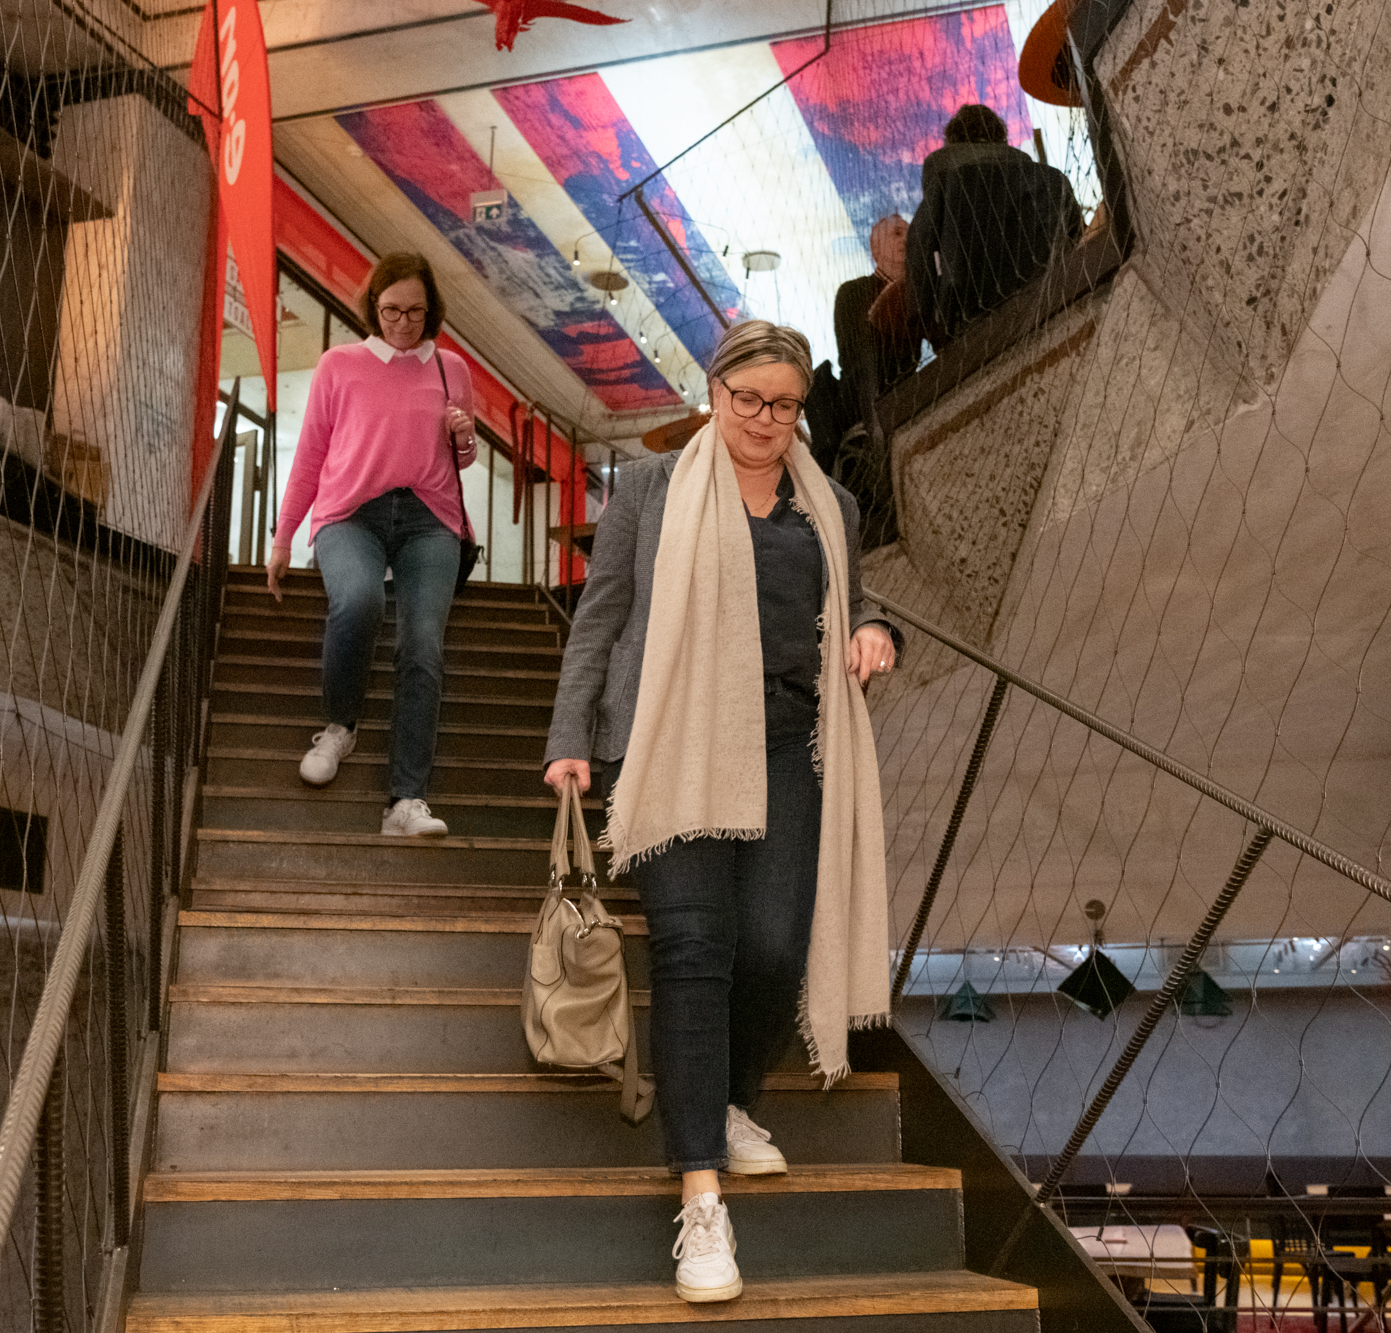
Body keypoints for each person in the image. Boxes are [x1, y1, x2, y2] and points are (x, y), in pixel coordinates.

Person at [542, 320, 900, 1304]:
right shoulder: (651, 490)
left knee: (775, 947)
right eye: (748, 399)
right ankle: (701, 1196)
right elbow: (601, 614)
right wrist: (570, 735)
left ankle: (732, 1099)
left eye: (784, 405)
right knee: (696, 947)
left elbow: (854, 602)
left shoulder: (829, 505)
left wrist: (873, 630)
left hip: (787, 742)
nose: (764, 419)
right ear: (714, 392)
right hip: (673, 734)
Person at [267, 253, 476, 837]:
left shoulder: (452, 368)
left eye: (415, 311)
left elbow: (461, 459)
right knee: (359, 601)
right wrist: (283, 538)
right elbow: (311, 454)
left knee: (423, 646)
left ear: (431, 310)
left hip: (430, 518)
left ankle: (405, 802)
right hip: (350, 513)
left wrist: (464, 438)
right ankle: (340, 727)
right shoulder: (340, 365)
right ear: (373, 307)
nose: (403, 323)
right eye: (391, 310)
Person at [905, 103, 1083, 342]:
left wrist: (933, 331)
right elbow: (1076, 240)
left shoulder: (943, 189)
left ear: (953, 142)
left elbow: (919, 256)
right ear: (1001, 138)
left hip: (975, 331)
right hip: (1054, 308)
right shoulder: (1051, 180)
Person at [830, 214, 921, 548]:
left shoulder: (916, 292)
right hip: (869, 410)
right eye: (896, 233)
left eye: (909, 232)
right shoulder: (853, 292)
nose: (905, 238)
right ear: (875, 250)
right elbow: (860, 361)